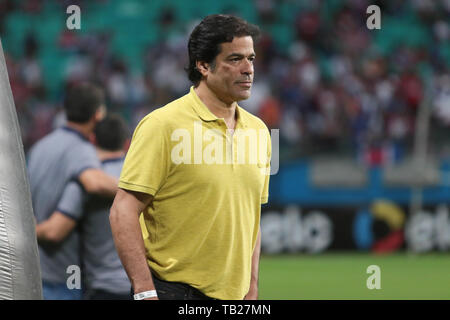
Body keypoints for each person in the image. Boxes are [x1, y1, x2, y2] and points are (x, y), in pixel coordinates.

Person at [110, 14, 271, 300]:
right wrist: (145, 291)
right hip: (173, 291)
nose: (248, 69)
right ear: (203, 65)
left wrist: (251, 288)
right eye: (235, 59)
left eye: (252, 58)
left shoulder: (259, 131)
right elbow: (123, 211)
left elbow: (251, 220)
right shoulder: (163, 125)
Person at [29, 82, 118, 300]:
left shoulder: (41, 146)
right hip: (65, 275)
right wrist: (145, 188)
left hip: (33, 268)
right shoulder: (80, 149)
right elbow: (94, 183)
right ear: (97, 115)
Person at [53, 114, 132, 300]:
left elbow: (55, 231)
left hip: (102, 288)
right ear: (127, 144)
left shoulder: (83, 182)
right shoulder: (143, 179)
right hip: (141, 285)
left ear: (92, 140)